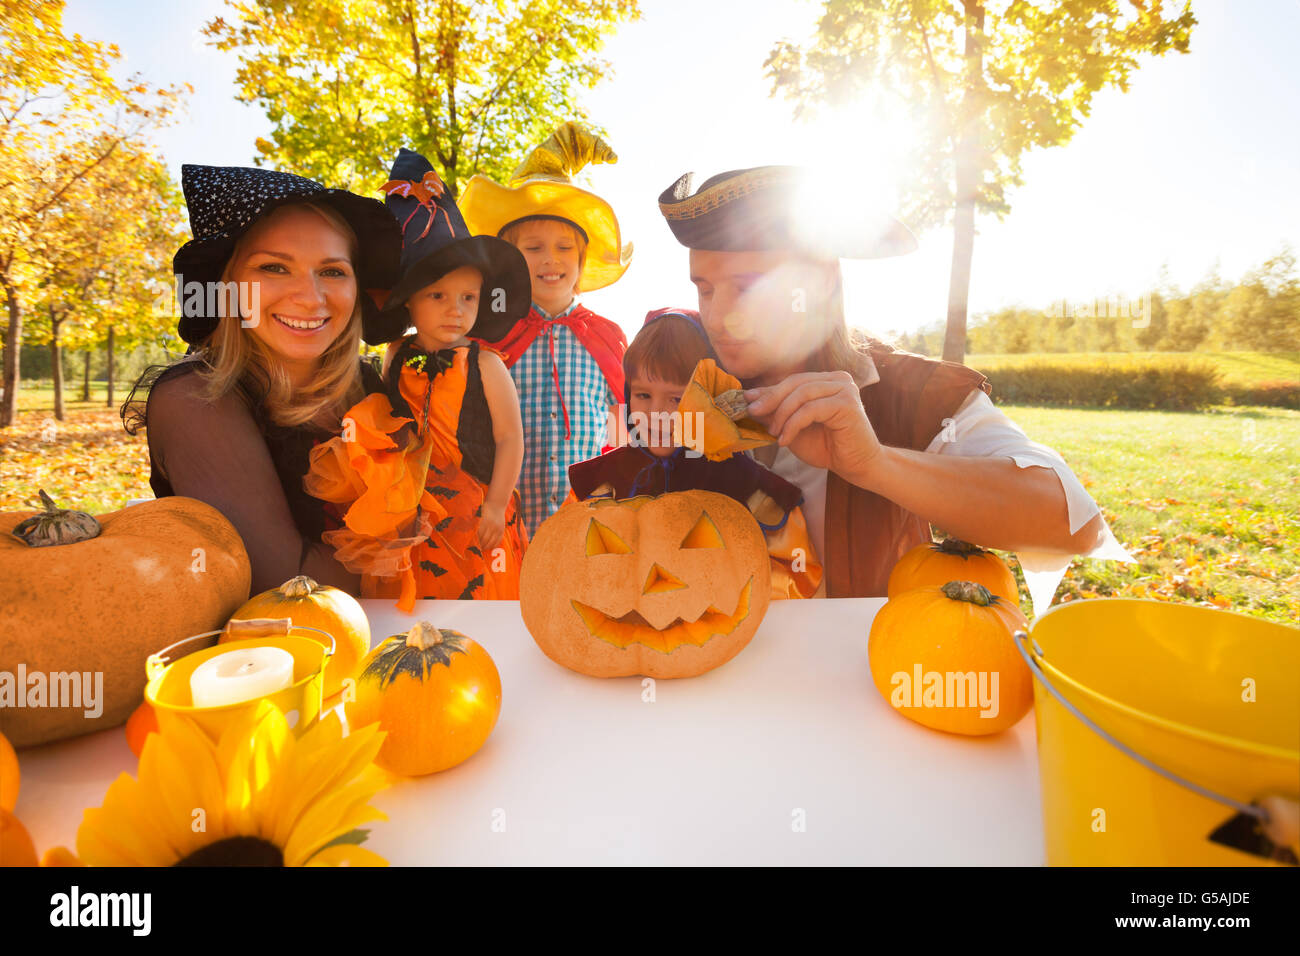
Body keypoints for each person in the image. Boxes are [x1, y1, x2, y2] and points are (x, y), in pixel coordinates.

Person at [657, 165, 1132, 609]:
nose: (720, 318)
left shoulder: (916, 392)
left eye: (746, 287)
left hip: (874, 681)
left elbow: (1075, 525)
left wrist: (874, 464)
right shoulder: (688, 390)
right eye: (705, 290)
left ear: (820, 283)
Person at [120, 164, 402, 596]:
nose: (310, 297)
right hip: (270, 655)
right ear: (227, 285)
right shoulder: (196, 399)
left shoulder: (364, 384)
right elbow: (290, 585)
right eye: (274, 267)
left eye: (332, 271)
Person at [303, 149, 532, 612]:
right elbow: (390, 417)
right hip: (415, 507)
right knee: (419, 598)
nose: (456, 309)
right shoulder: (396, 355)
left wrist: (496, 505)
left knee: (483, 596)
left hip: (476, 505)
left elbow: (511, 439)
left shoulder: (486, 365)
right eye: (438, 295)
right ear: (409, 302)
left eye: (469, 297)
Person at [567, 308, 823, 599]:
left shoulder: (747, 485)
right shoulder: (602, 484)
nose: (655, 414)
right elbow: (570, 565)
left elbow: (797, 577)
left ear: (708, 402)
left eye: (676, 399)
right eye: (643, 396)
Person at [459, 122, 631, 536]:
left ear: (582, 259)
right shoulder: (489, 336)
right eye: (532, 248)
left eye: (564, 247)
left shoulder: (605, 337)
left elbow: (620, 424)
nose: (549, 260)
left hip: (588, 525)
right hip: (506, 524)